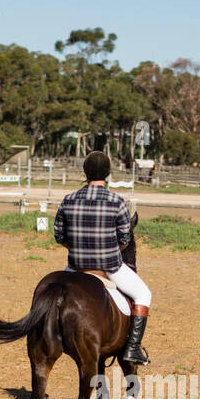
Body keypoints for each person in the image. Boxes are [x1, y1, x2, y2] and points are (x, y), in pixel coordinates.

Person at [53, 151, 151, 364]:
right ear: (107, 174)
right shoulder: (117, 202)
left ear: (85, 172)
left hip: (75, 268)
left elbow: (59, 236)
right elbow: (125, 239)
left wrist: (78, 247)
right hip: (110, 267)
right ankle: (133, 348)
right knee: (143, 294)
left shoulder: (68, 199)